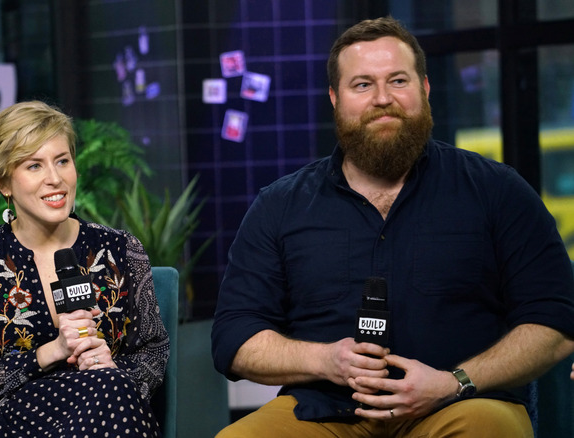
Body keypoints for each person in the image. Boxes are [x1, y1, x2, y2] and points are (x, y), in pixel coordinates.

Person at [211, 16, 574, 437]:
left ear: (424, 88)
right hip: (324, 413)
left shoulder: (497, 190)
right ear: (335, 97)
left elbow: (557, 320)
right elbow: (234, 337)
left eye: (398, 81)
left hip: (459, 407)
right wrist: (325, 360)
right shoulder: (279, 205)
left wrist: (453, 381)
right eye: (362, 85)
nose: (383, 98)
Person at [0, 101, 170, 437]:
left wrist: (110, 365)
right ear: (4, 183)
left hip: (107, 408)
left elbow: (154, 349)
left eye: (62, 161)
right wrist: (51, 352)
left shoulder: (120, 249)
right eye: (34, 166)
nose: (55, 179)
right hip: (9, 419)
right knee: (113, 392)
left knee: (112, 388)